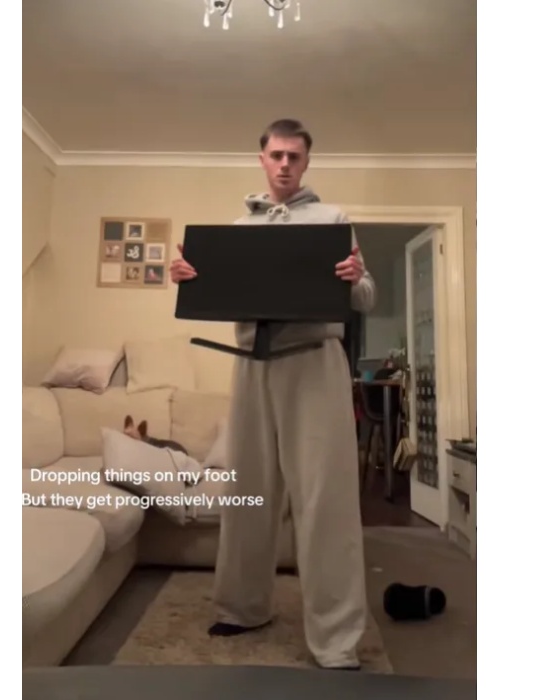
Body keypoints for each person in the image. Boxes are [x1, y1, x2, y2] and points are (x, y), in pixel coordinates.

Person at [169, 118, 375, 670]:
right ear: (262, 158)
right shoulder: (239, 227)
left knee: (325, 498)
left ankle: (337, 638)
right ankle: (242, 607)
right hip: (251, 363)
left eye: (294, 156)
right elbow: (220, 293)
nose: (285, 164)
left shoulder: (333, 220)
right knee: (249, 488)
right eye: (276, 155)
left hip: (314, 363)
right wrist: (189, 277)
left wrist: (356, 277)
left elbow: (366, 296)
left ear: (306, 162)